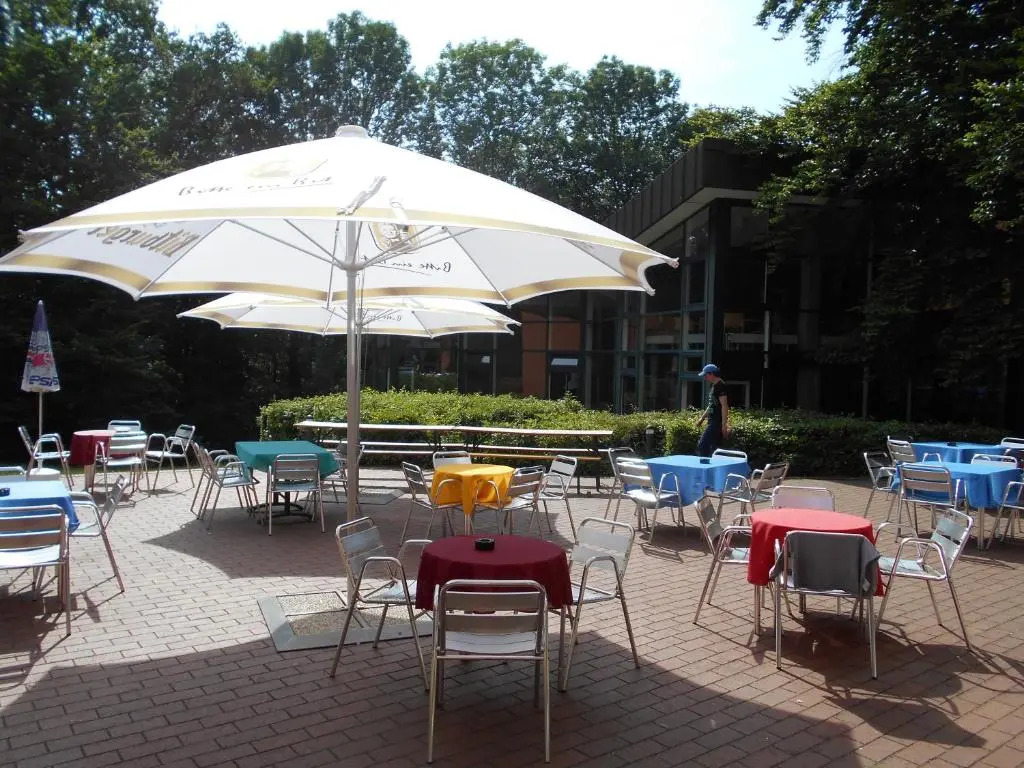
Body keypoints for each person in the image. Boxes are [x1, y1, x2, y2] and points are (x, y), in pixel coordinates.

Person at [695, 363, 729, 457]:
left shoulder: (720, 386)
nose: (705, 378)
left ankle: (704, 464)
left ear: (711, 374)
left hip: (716, 422)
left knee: (702, 445)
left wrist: (724, 425)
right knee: (714, 449)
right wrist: (701, 419)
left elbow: (724, 406)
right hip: (712, 421)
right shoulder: (714, 386)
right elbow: (711, 405)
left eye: (705, 375)